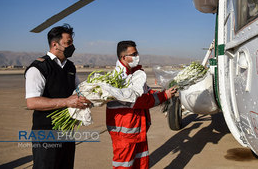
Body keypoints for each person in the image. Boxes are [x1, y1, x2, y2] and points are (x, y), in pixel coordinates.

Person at [25, 24, 91, 169]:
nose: (72, 47)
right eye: (68, 43)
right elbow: (32, 102)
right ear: (55, 44)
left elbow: (77, 91)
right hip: (46, 132)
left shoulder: (70, 67)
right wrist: (67, 102)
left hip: (67, 131)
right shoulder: (39, 68)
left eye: (72, 43)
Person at [106, 40, 177, 169]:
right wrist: (164, 96)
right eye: (133, 54)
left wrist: (160, 92)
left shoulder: (133, 74)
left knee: (141, 163)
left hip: (137, 130)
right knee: (124, 165)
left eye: (137, 53)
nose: (137, 56)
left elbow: (145, 91)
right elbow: (139, 100)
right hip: (125, 134)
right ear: (124, 57)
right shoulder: (120, 78)